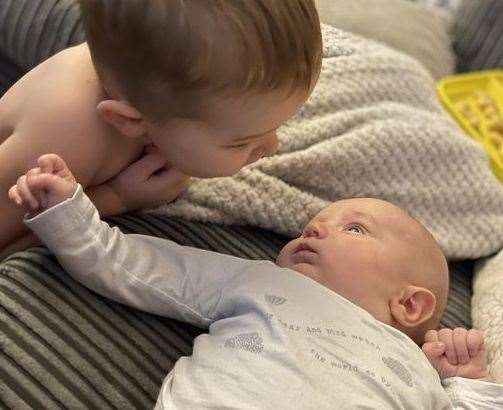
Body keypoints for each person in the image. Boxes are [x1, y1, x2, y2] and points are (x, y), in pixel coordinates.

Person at [10, 154, 503, 409]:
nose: (314, 228)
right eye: (315, 221)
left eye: (353, 229)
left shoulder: (417, 374)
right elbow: (134, 267)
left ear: (410, 305)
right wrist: (66, 213)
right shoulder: (265, 283)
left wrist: (470, 386)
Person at [0, 0, 322, 256]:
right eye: (241, 142)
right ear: (130, 121)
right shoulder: (65, 140)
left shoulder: (150, 84)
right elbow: (10, 247)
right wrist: (118, 197)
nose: (273, 146)